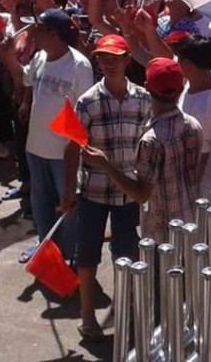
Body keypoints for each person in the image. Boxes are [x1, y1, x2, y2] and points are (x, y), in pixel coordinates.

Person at [62, 34, 151, 342]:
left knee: (126, 254)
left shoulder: (143, 99)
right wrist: (68, 191)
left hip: (128, 192)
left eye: (114, 58)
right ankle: (87, 319)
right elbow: (71, 148)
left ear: (128, 60)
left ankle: (128, 313)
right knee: (87, 256)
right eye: (102, 58)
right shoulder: (86, 102)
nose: (107, 64)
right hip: (93, 192)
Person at [80, 57, 203, 244]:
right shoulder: (194, 126)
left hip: (162, 233)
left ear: (147, 87)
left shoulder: (151, 141)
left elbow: (140, 194)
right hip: (190, 223)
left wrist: (106, 165)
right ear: (180, 89)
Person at [4, 9, 94, 262]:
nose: (33, 33)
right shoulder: (40, 57)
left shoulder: (79, 66)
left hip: (63, 150)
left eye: (39, 29)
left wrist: (77, 150)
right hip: (36, 146)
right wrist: (9, 55)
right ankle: (46, 249)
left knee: (68, 205)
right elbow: (25, 81)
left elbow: (85, 110)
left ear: (54, 34)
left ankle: (73, 254)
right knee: (40, 201)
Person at [174, 34, 211, 196]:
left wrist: (187, 193)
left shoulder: (206, 109)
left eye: (180, 60)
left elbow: (201, 157)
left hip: (199, 192)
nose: (177, 63)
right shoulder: (192, 82)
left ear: (188, 64)